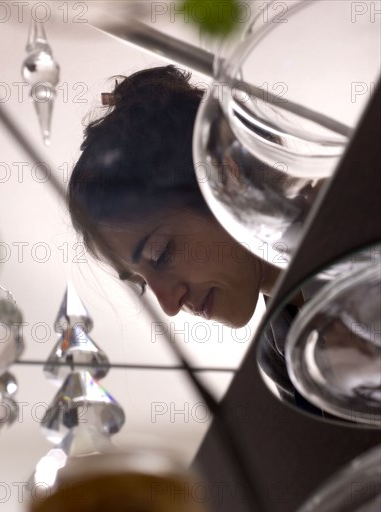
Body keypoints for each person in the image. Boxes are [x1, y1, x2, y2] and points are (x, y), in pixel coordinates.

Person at [67, 65, 281, 329]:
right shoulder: (285, 356)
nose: (170, 306)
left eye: (161, 255)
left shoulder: (346, 218)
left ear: (223, 177)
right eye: (143, 284)